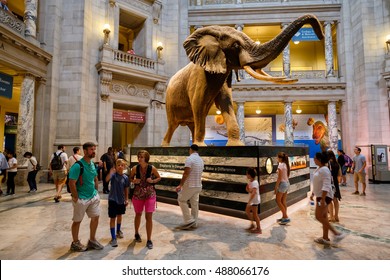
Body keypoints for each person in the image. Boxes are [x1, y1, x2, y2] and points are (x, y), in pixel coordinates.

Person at [68, 142, 103, 252]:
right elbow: (71, 182)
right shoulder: (78, 166)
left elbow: (95, 178)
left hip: (92, 197)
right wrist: (76, 197)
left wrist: (96, 192)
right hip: (81, 198)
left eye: (94, 149)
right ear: (85, 151)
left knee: (95, 217)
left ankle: (92, 240)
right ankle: (75, 242)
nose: (94, 151)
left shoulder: (92, 164)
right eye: (91, 149)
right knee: (77, 221)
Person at [310, 152, 346, 245]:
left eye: (315, 158)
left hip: (324, 197)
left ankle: (336, 234)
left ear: (320, 160)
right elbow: (318, 183)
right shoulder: (320, 169)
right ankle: (325, 238)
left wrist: (322, 199)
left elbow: (326, 185)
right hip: (320, 196)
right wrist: (313, 193)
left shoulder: (325, 170)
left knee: (318, 216)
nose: (314, 160)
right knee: (325, 217)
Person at [129, 150, 161, 249]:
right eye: (139, 156)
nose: (139, 158)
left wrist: (152, 180)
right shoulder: (135, 168)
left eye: (142, 157)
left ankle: (149, 239)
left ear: (146, 158)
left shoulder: (152, 168)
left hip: (150, 194)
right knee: (138, 214)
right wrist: (134, 180)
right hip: (138, 194)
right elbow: (130, 178)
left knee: (149, 216)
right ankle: (136, 233)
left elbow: (159, 177)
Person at [175, 144, 204, 230]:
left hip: (190, 185)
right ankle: (194, 223)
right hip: (198, 185)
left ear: (190, 150)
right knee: (194, 204)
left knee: (181, 200)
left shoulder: (189, 159)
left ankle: (188, 220)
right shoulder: (201, 160)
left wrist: (180, 185)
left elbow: (186, 173)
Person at [106, 159, 130, 247]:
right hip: (113, 199)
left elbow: (126, 189)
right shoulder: (113, 176)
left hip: (121, 200)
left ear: (124, 167)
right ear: (116, 166)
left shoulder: (126, 177)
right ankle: (113, 238)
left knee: (120, 216)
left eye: (122, 165)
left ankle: (118, 230)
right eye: (118, 165)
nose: (120, 166)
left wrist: (126, 199)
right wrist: (111, 173)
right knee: (113, 218)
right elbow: (106, 179)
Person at [274, 152, 290, 225]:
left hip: (283, 184)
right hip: (287, 183)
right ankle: (284, 217)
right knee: (283, 201)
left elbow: (279, 178)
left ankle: (286, 217)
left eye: (277, 157)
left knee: (278, 201)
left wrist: (276, 187)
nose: (277, 159)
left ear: (280, 158)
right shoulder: (286, 164)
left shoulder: (280, 165)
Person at [245, 167, 262, 233]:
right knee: (247, 211)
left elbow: (254, 193)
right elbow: (251, 191)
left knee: (255, 214)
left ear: (249, 175)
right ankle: (252, 224)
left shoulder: (255, 182)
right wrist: (248, 189)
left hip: (254, 201)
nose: (246, 175)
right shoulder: (251, 182)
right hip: (252, 200)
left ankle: (259, 229)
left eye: (247, 174)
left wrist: (249, 201)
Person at [327, 150, 342, 223]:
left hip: (329, 183)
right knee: (335, 200)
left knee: (329, 201)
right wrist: (337, 183)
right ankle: (336, 216)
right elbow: (339, 175)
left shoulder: (328, 164)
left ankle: (331, 217)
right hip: (335, 183)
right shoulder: (337, 164)